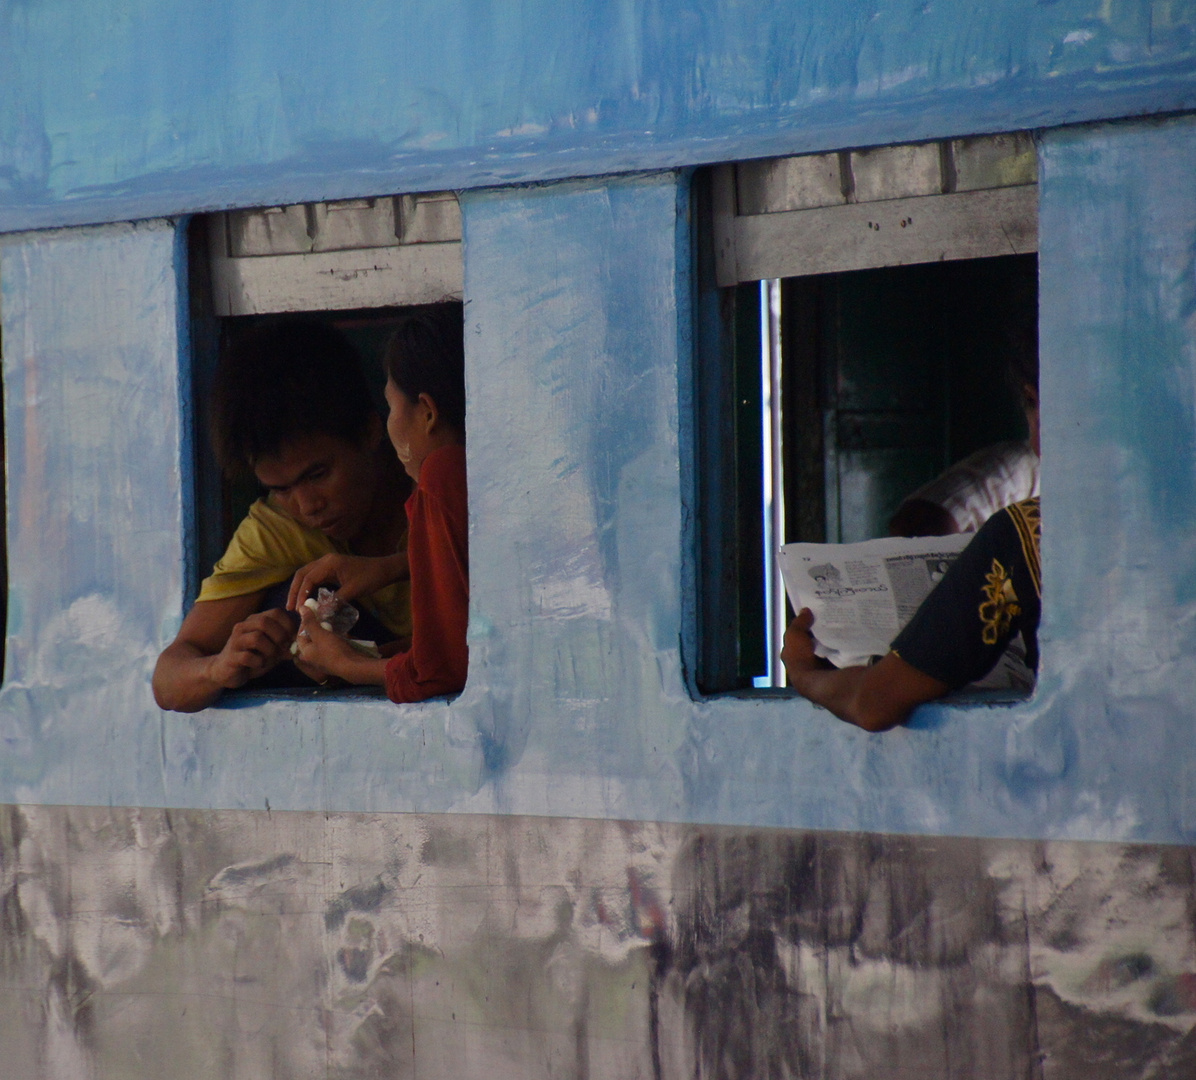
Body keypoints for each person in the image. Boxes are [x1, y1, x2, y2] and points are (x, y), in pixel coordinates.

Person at [152, 321, 412, 713]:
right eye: (280, 489)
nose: (307, 506)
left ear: (370, 432)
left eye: (318, 475)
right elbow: (169, 680)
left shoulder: (438, 494)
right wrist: (219, 667)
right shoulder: (277, 528)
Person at [784, 340, 1042, 732]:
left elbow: (874, 703)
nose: (1037, 439)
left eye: (1032, 403)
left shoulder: (1022, 536)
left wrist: (803, 672)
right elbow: (920, 520)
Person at [291, 307, 468, 703]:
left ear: (427, 412)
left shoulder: (442, 474)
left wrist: (346, 665)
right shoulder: (477, 473)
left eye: (391, 407)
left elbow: (442, 669)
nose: (390, 427)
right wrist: (376, 654)